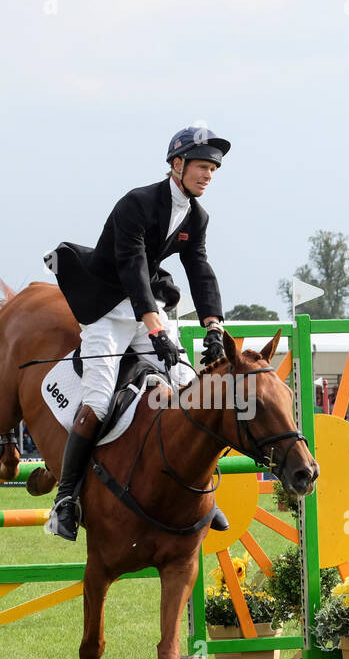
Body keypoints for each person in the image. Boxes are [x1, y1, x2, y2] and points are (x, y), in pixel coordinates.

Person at [44, 126, 232, 541]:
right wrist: (156, 329)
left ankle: (204, 496)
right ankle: (66, 499)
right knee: (97, 397)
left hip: (149, 305)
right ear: (177, 165)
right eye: (203, 166)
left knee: (188, 387)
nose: (209, 175)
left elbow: (199, 270)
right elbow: (131, 267)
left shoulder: (196, 216)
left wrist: (213, 327)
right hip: (108, 310)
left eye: (214, 169)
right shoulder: (137, 203)